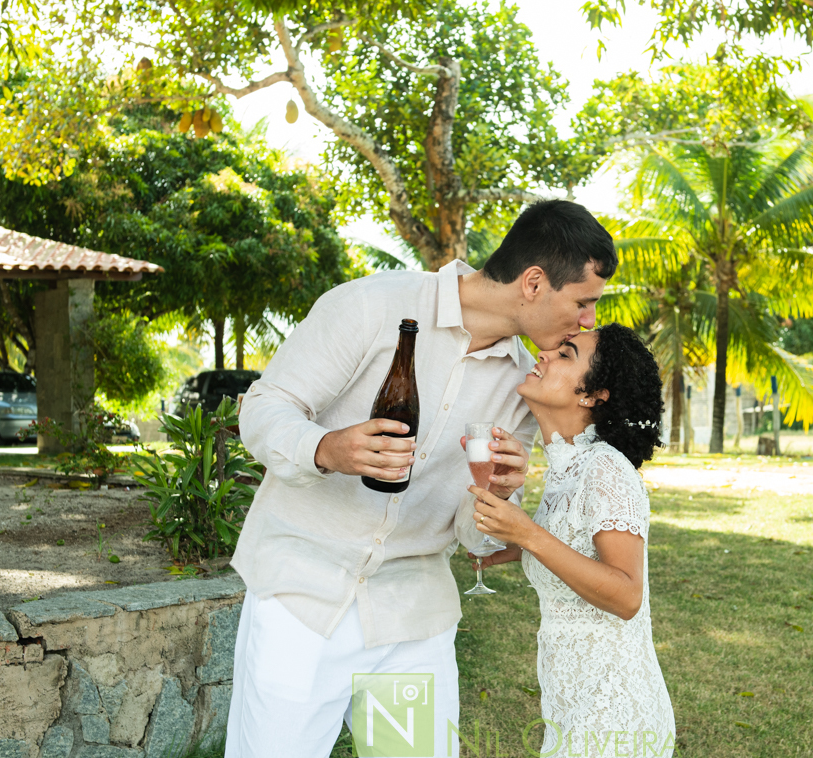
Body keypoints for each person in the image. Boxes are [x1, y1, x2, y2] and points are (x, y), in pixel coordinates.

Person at [225, 200, 618, 757]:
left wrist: (499, 499)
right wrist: (328, 448)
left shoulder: (521, 387)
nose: (587, 320)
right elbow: (265, 408)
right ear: (534, 283)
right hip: (300, 597)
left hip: (412, 618)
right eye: (583, 302)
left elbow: (473, 540)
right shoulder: (372, 306)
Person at [469, 323, 676, 757]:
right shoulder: (567, 470)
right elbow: (568, 553)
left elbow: (626, 595)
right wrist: (512, 537)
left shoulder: (606, 468)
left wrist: (528, 534)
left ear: (592, 394)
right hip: (570, 705)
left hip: (612, 711)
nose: (542, 355)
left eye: (566, 354)